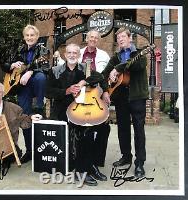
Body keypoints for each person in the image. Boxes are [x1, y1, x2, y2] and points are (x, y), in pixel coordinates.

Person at [46, 43, 109, 186]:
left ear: (79, 55)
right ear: (65, 54)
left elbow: (101, 78)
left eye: (75, 53)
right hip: (62, 109)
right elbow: (48, 92)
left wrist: (83, 82)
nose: (72, 55)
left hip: (81, 107)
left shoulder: (85, 69)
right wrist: (66, 91)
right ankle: (81, 171)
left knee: (104, 128)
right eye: (69, 53)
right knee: (85, 130)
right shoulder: (55, 70)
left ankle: (92, 164)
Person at [102, 27, 149, 178]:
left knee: (139, 131)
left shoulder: (140, 54)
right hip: (121, 98)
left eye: (123, 36)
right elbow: (104, 74)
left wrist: (117, 69)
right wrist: (105, 90)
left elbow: (136, 66)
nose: (120, 39)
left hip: (137, 97)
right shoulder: (115, 57)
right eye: (118, 38)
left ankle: (140, 162)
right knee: (122, 129)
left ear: (130, 38)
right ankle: (126, 156)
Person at [2, 25, 49, 163]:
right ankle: (29, 151)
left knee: (40, 77)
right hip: (21, 87)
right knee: (25, 118)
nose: (29, 38)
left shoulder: (43, 50)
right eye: (27, 35)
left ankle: (39, 106)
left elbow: (46, 67)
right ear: (24, 37)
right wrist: (11, 65)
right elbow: (3, 63)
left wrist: (30, 71)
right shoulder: (18, 49)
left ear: (37, 37)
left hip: (35, 84)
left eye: (32, 35)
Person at [79, 29, 111, 168]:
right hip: (80, 94)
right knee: (84, 127)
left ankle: (97, 161)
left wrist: (106, 92)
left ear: (99, 40)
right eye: (91, 37)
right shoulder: (77, 52)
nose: (93, 39)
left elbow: (107, 76)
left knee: (102, 127)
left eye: (96, 38)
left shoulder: (104, 55)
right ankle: (83, 159)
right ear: (87, 38)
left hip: (98, 93)